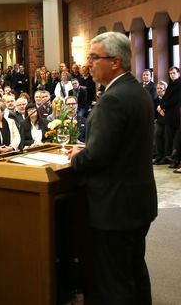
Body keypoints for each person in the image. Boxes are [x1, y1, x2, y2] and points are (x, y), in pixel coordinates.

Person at [69, 32, 157, 305]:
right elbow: (123, 145)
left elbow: (97, 158)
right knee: (134, 269)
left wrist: (76, 156)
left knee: (115, 281)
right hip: (136, 200)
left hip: (115, 205)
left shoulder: (113, 98)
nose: (88, 64)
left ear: (116, 61)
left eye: (94, 58)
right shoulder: (137, 91)